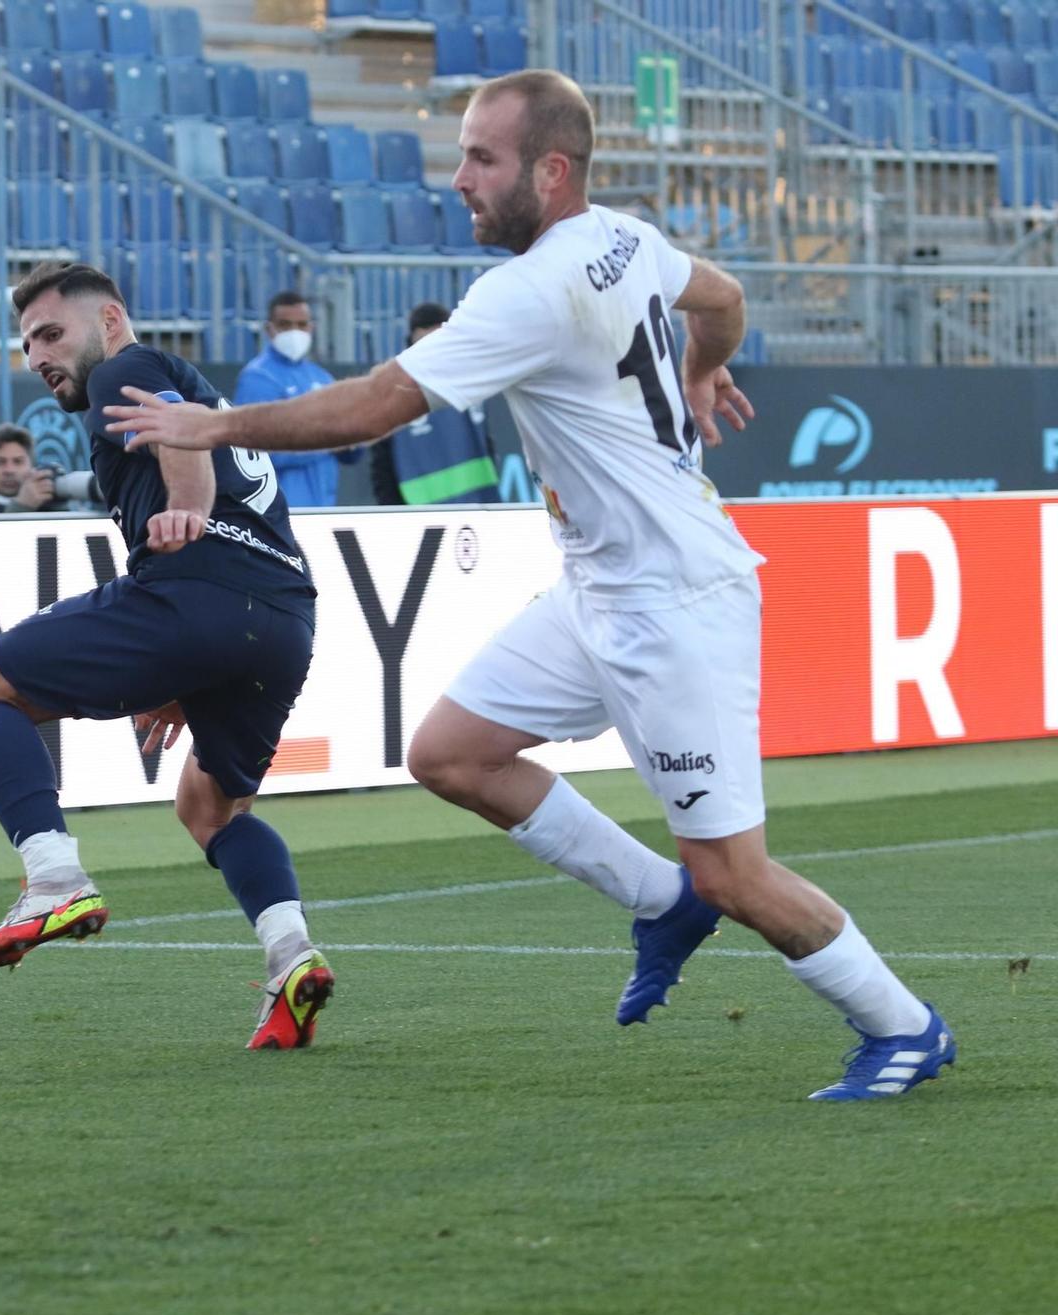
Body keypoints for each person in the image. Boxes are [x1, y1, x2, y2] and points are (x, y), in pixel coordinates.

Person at [106, 70, 954, 1100]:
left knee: (734, 872)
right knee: (450, 753)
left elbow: (376, 404)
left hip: (674, 603)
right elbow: (721, 300)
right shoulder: (625, 238)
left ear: (549, 172)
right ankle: (656, 900)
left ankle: (902, 1026)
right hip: (598, 589)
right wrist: (699, 367)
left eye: (480, 158)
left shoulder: (529, 287)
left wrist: (212, 423)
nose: (457, 178)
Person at [0, 261, 333, 1050]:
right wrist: (186, 669)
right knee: (208, 805)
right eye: (26, 345)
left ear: (111, 319)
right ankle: (292, 953)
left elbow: (175, 429)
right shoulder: (174, 380)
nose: (38, 355)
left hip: (198, 588)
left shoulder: (125, 366)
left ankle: (53, 876)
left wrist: (187, 515)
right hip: (284, 616)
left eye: (52, 333)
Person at [234, 292, 362, 508]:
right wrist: (328, 440)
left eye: (301, 324)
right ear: (269, 329)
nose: (295, 332)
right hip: (278, 510)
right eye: (285, 324)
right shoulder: (258, 378)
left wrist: (352, 440)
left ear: (311, 328)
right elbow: (255, 451)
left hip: (323, 505)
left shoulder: (321, 377)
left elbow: (348, 447)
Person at [370, 303, 503, 506]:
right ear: (414, 337)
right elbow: (383, 461)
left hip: (475, 507)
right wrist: (392, 511)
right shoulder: (395, 386)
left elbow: (485, 445)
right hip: (417, 513)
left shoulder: (469, 378)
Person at [0, 423, 101, 514]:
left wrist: (58, 508)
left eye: (18, 462)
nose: (10, 470)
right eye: (0, 462)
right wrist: (21, 507)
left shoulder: (48, 508)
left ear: (32, 468)